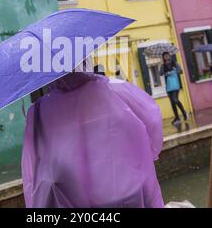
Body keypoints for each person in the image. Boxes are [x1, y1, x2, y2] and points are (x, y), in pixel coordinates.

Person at [21, 70, 165, 208]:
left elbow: (33, 167)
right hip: (130, 193)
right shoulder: (115, 90)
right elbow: (153, 124)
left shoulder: (38, 110)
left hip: (72, 198)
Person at [159, 52, 188, 131]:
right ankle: (177, 117)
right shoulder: (163, 65)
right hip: (168, 86)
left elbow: (180, 71)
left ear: (169, 56)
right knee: (172, 103)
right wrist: (163, 67)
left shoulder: (174, 63)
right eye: (164, 56)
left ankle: (184, 113)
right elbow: (160, 74)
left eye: (167, 55)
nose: (166, 57)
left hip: (175, 85)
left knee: (175, 99)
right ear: (163, 57)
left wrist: (174, 71)